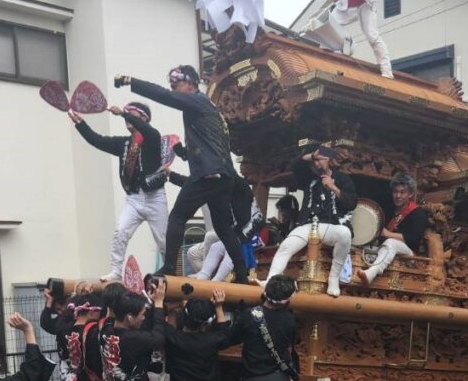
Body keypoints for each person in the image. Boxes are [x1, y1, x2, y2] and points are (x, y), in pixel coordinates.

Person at [116, 65, 249, 283]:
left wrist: (131, 81)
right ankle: (242, 275)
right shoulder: (210, 110)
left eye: (176, 85)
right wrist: (181, 151)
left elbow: (163, 96)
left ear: (191, 83)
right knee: (224, 228)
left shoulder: (197, 101)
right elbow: (205, 150)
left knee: (177, 218)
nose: (173, 89)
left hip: (207, 174)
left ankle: (169, 268)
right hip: (224, 176)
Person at [69, 103, 168, 283]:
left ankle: (171, 271)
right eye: (127, 113)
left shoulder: (153, 137)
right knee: (120, 231)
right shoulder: (124, 144)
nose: (128, 116)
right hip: (134, 198)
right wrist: (80, 124)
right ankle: (115, 270)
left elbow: (147, 130)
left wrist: (123, 113)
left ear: (144, 118)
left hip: (155, 197)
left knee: (163, 239)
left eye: (133, 113)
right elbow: (97, 140)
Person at [259, 146, 358, 296]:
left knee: (344, 234)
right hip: (309, 224)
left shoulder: (343, 178)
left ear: (329, 159)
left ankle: (333, 278)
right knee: (286, 246)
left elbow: (351, 203)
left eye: (320, 160)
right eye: (314, 162)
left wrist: (334, 188)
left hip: (332, 226)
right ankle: (270, 280)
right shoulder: (308, 178)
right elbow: (295, 165)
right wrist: (311, 155)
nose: (317, 164)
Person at [359, 173, 428, 286]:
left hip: (409, 254)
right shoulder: (388, 208)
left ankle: (371, 273)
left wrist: (388, 234)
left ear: (410, 194)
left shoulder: (418, 213)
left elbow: (414, 239)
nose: (398, 195)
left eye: (402, 192)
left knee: (391, 242)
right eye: (395, 192)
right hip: (385, 249)